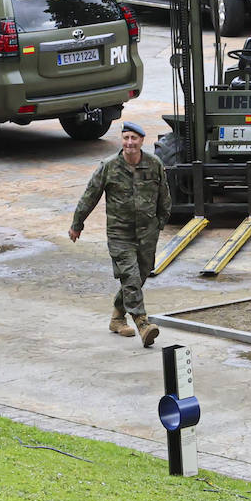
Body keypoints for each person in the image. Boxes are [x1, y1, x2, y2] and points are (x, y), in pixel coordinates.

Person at [68, 121, 171, 347]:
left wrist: (160, 224)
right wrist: (77, 223)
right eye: (126, 138)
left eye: (134, 138)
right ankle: (143, 324)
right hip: (120, 234)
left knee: (140, 276)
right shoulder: (109, 166)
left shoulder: (154, 165)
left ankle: (117, 317)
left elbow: (164, 196)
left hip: (147, 234)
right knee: (131, 277)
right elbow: (90, 196)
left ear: (142, 141)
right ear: (122, 141)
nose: (130, 143)